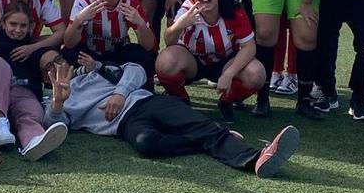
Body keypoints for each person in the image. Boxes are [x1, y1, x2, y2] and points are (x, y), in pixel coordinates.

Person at [43, 53, 299, 178]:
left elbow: (135, 70)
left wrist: (120, 93)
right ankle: (213, 137)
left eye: (57, 60)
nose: (56, 67)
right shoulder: (52, 99)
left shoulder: (96, 72)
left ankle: (255, 158)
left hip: (146, 103)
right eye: (48, 68)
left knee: (192, 122)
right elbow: (56, 126)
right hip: (125, 125)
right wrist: (58, 102)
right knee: (148, 144)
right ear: (44, 77)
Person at [157, 0, 265, 124]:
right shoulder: (187, 9)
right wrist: (178, 26)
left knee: (256, 73)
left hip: (225, 61)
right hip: (193, 61)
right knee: (165, 62)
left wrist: (229, 74)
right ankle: (181, 100)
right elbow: (169, 41)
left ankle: (226, 102)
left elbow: (249, 47)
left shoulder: (233, 9)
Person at [0, 2, 68, 160]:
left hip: (22, 94)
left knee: (30, 113)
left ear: (31, 26)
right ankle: (0, 124)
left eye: (23, 26)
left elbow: (51, 61)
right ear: (3, 23)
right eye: (13, 24)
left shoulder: (33, 49)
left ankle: (33, 141)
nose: (17, 30)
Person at [63, 0, 157, 83]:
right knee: (67, 53)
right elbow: (69, 43)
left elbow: (148, 46)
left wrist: (140, 24)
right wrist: (79, 21)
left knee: (145, 57)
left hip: (116, 54)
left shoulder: (130, 1)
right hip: (88, 53)